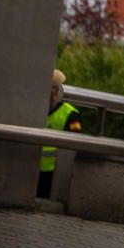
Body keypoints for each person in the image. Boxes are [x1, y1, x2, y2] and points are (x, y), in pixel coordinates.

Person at [39, 69, 82, 199]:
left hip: (54, 172)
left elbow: (74, 142)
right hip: (28, 166)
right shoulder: (34, 109)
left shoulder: (70, 114)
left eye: (53, 91)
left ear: (56, 92)